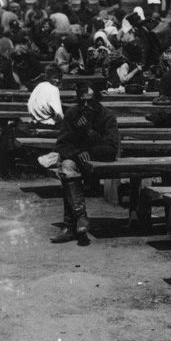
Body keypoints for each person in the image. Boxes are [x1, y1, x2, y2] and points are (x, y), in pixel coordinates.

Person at [51, 83, 120, 244]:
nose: (86, 106)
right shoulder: (72, 114)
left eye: (90, 101)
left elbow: (111, 149)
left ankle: (69, 225)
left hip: (98, 161)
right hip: (76, 159)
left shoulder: (107, 116)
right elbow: (61, 145)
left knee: (68, 174)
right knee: (67, 168)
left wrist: (89, 133)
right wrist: (76, 153)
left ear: (97, 99)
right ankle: (81, 218)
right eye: (82, 102)